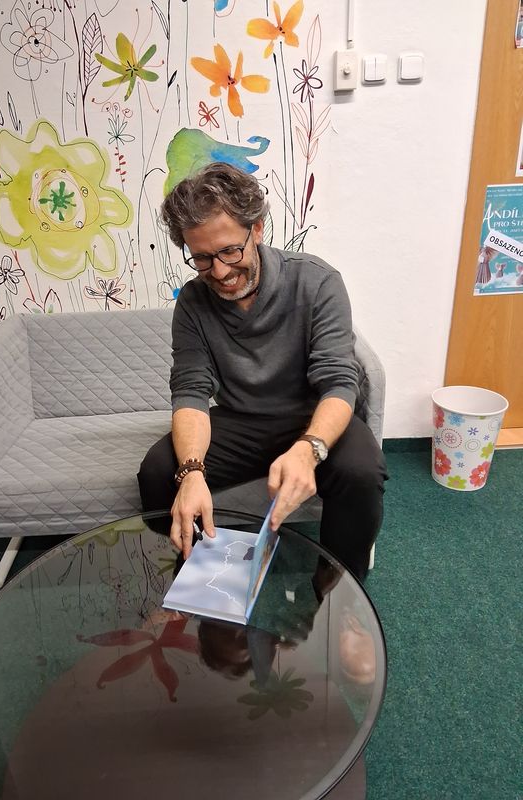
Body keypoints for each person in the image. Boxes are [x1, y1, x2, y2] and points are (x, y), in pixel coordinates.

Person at [137, 162, 388, 582]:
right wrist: (192, 471)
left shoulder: (318, 282)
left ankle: (336, 588)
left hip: (311, 415)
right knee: (159, 472)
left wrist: (308, 450)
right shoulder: (194, 303)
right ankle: (200, 578)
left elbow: (339, 383)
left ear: (256, 229)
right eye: (202, 258)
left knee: (361, 472)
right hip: (242, 421)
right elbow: (191, 391)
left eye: (229, 251)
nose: (219, 271)